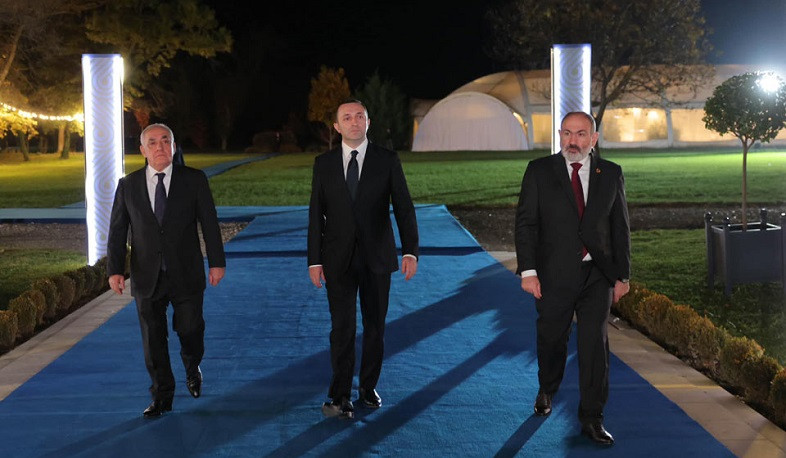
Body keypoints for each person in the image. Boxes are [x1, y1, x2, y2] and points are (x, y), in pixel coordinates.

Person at [514, 111, 630, 445]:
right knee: (552, 338)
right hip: (553, 274)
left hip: (597, 275)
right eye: (567, 133)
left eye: (580, 134)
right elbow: (526, 224)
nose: (572, 141)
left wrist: (622, 275)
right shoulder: (539, 171)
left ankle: (592, 417)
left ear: (593, 139)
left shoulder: (611, 173)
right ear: (560, 135)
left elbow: (620, 228)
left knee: (594, 346)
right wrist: (529, 271)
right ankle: (547, 387)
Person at [307, 99, 419, 419]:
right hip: (337, 259)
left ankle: (368, 387)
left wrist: (410, 250)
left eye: (360, 116)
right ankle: (340, 393)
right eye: (347, 117)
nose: (354, 121)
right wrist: (314, 260)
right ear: (337, 126)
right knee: (342, 328)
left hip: (377, 257)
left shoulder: (387, 160)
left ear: (368, 123)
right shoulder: (324, 164)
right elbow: (316, 214)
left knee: (374, 327)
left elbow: (404, 207)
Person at [107, 123, 226, 418]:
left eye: (165, 141)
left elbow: (209, 222)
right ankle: (162, 395)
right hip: (146, 276)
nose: (159, 147)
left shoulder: (194, 180)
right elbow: (118, 230)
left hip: (186, 272)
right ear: (142, 150)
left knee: (190, 329)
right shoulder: (128, 185)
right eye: (153, 142)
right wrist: (115, 270)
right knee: (153, 340)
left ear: (173, 146)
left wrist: (217, 262)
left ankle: (192, 365)